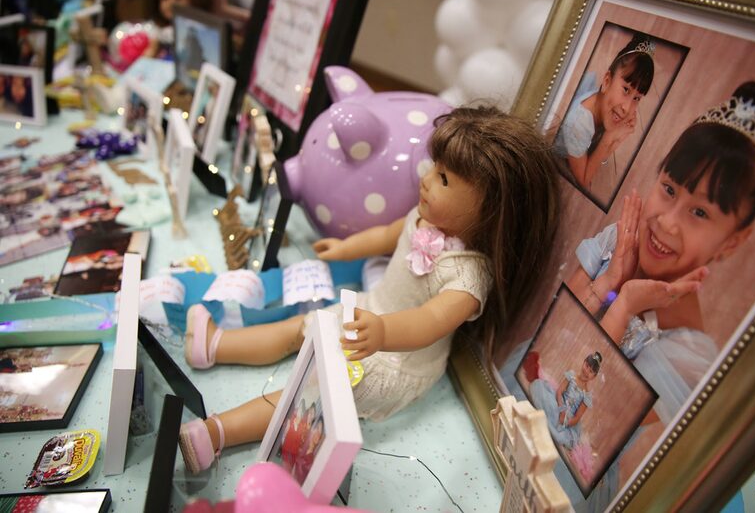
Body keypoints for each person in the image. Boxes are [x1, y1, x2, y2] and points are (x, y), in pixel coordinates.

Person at [177, 105, 561, 474]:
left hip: (397, 361)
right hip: (367, 312)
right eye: (436, 167)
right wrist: (345, 248)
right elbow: (386, 235)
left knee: (309, 395)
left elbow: (430, 321)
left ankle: (217, 434)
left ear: (492, 212)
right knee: (301, 328)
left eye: (443, 178)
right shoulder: (422, 217)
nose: (426, 178)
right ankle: (216, 345)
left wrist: (383, 333)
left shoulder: (470, 275)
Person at [567, 81, 755, 510]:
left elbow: (578, 410)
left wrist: (628, 302)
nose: (667, 223)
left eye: (700, 212)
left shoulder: (689, 356)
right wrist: (613, 275)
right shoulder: (621, 239)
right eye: (670, 189)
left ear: (732, 241)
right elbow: (554, 333)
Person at [553, 32, 655, 190]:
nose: (627, 108)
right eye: (626, 90)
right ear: (607, 81)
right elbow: (584, 181)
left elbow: (603, 155)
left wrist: (620, 136)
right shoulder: (578, 124)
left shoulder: (605, 108)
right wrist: (609, 138)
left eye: (637, 98)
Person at [524, 350, 601, 450]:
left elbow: (577, 417)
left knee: (562, 433)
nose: (587, 371)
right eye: (587, 366)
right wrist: (561, 409)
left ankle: (554, 426)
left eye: (591, 371)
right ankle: (550, 416)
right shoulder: (572, 376)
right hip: (559, 403)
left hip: (569, 418)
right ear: (583, 362)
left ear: (594, 377)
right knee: (542, 393)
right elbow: (559, 391)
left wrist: (565, 422)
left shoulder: (586, 396)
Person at [144, 0, 212, 59]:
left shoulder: (197, 33)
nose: (170, 3)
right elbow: (149, 55)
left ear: (195, 1)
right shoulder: (160, 31)